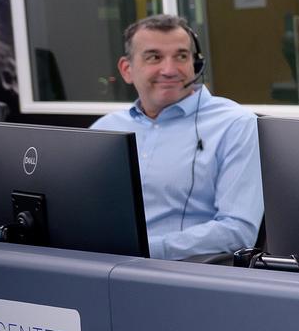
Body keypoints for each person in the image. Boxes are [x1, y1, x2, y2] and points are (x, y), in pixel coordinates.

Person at [90, 14, 262, 261]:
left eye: (181, 56)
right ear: (127, 70)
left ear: (196, 64)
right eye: (154, 57)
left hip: (185, 277)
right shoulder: (105, 129)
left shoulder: (235, 125)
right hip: (101, 267)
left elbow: (238, 230)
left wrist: (146, 249)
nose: (169, 70)